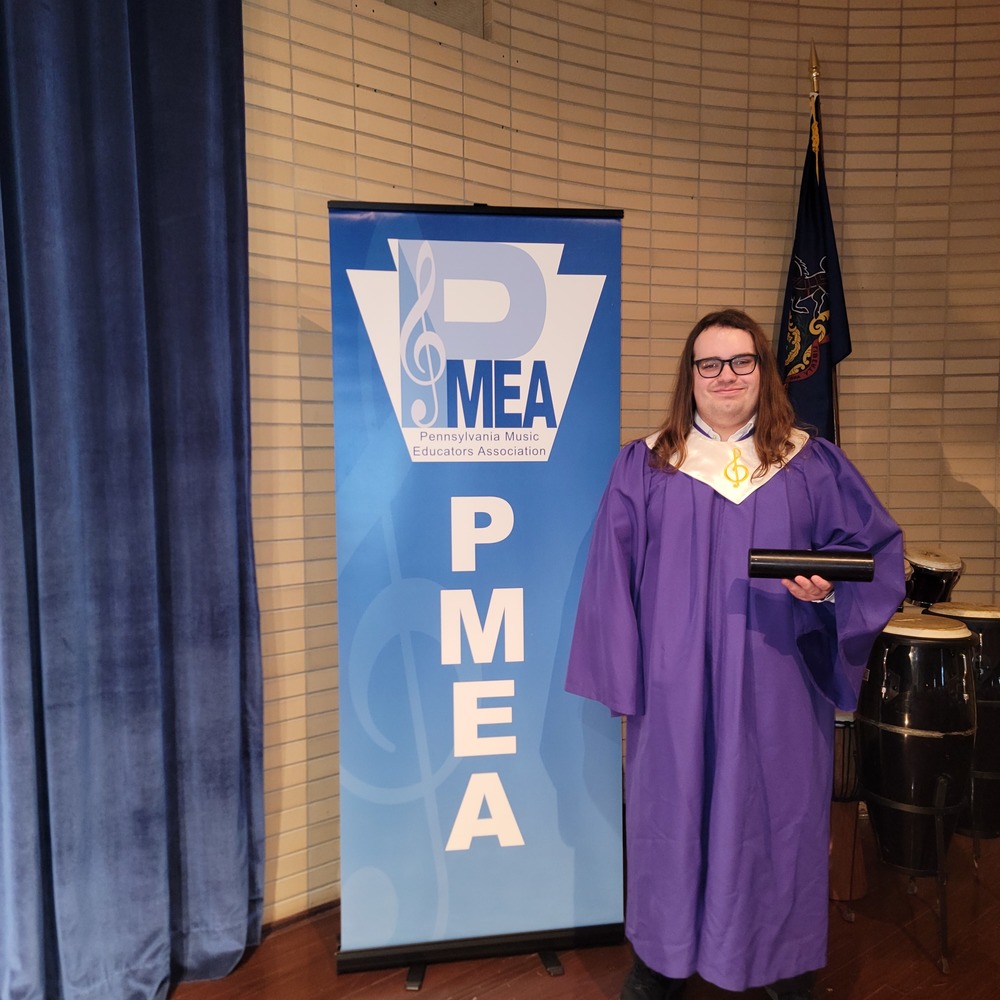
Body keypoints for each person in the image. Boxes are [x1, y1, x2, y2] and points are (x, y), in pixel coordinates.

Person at [565, 309, 905, 1000]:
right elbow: (610, 577)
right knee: (672, 813)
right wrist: (629, 684)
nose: (726, 376)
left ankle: (783, 961)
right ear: (690, 376)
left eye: (742, 361)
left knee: (775, 817)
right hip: (675, 687)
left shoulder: (810, 464)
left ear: (764, 371)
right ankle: (662, 960)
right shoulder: (648, 463)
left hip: (777, 676)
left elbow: (872, 555)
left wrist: (826, 594)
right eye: (710, 364)